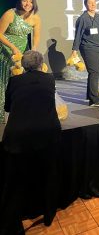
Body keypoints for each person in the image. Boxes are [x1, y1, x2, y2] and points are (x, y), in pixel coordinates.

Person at [0, 50, 61, 235]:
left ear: (24, 65)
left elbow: (8, 107)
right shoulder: (49, 79)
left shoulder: (15, 81)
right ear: (42, 64)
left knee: (17, 180)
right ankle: (49, 214)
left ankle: (14, 222)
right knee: (49, 175)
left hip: (19, 137)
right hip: (47, 134)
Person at [0, 0, 41, 123]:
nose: (27, 4)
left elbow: (36, 36)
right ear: (20, 1)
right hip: (6, 51)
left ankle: (20, 112)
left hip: (23, 52)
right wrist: (12, 48)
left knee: (22, 83)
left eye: (30, 1)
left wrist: (33, 50)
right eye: (25, 1)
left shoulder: (36, 18)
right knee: (4, 82)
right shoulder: (10, 14)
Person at [71, 0, 99, 106]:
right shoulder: (82, 18)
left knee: (96, 73)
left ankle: (90, 96)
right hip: (89, 48)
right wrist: (74, 50)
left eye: (94, 2)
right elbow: (78, 35)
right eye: (90, 3)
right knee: (94, 72)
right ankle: (95, 99)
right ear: (86, 5)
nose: (93, 4)